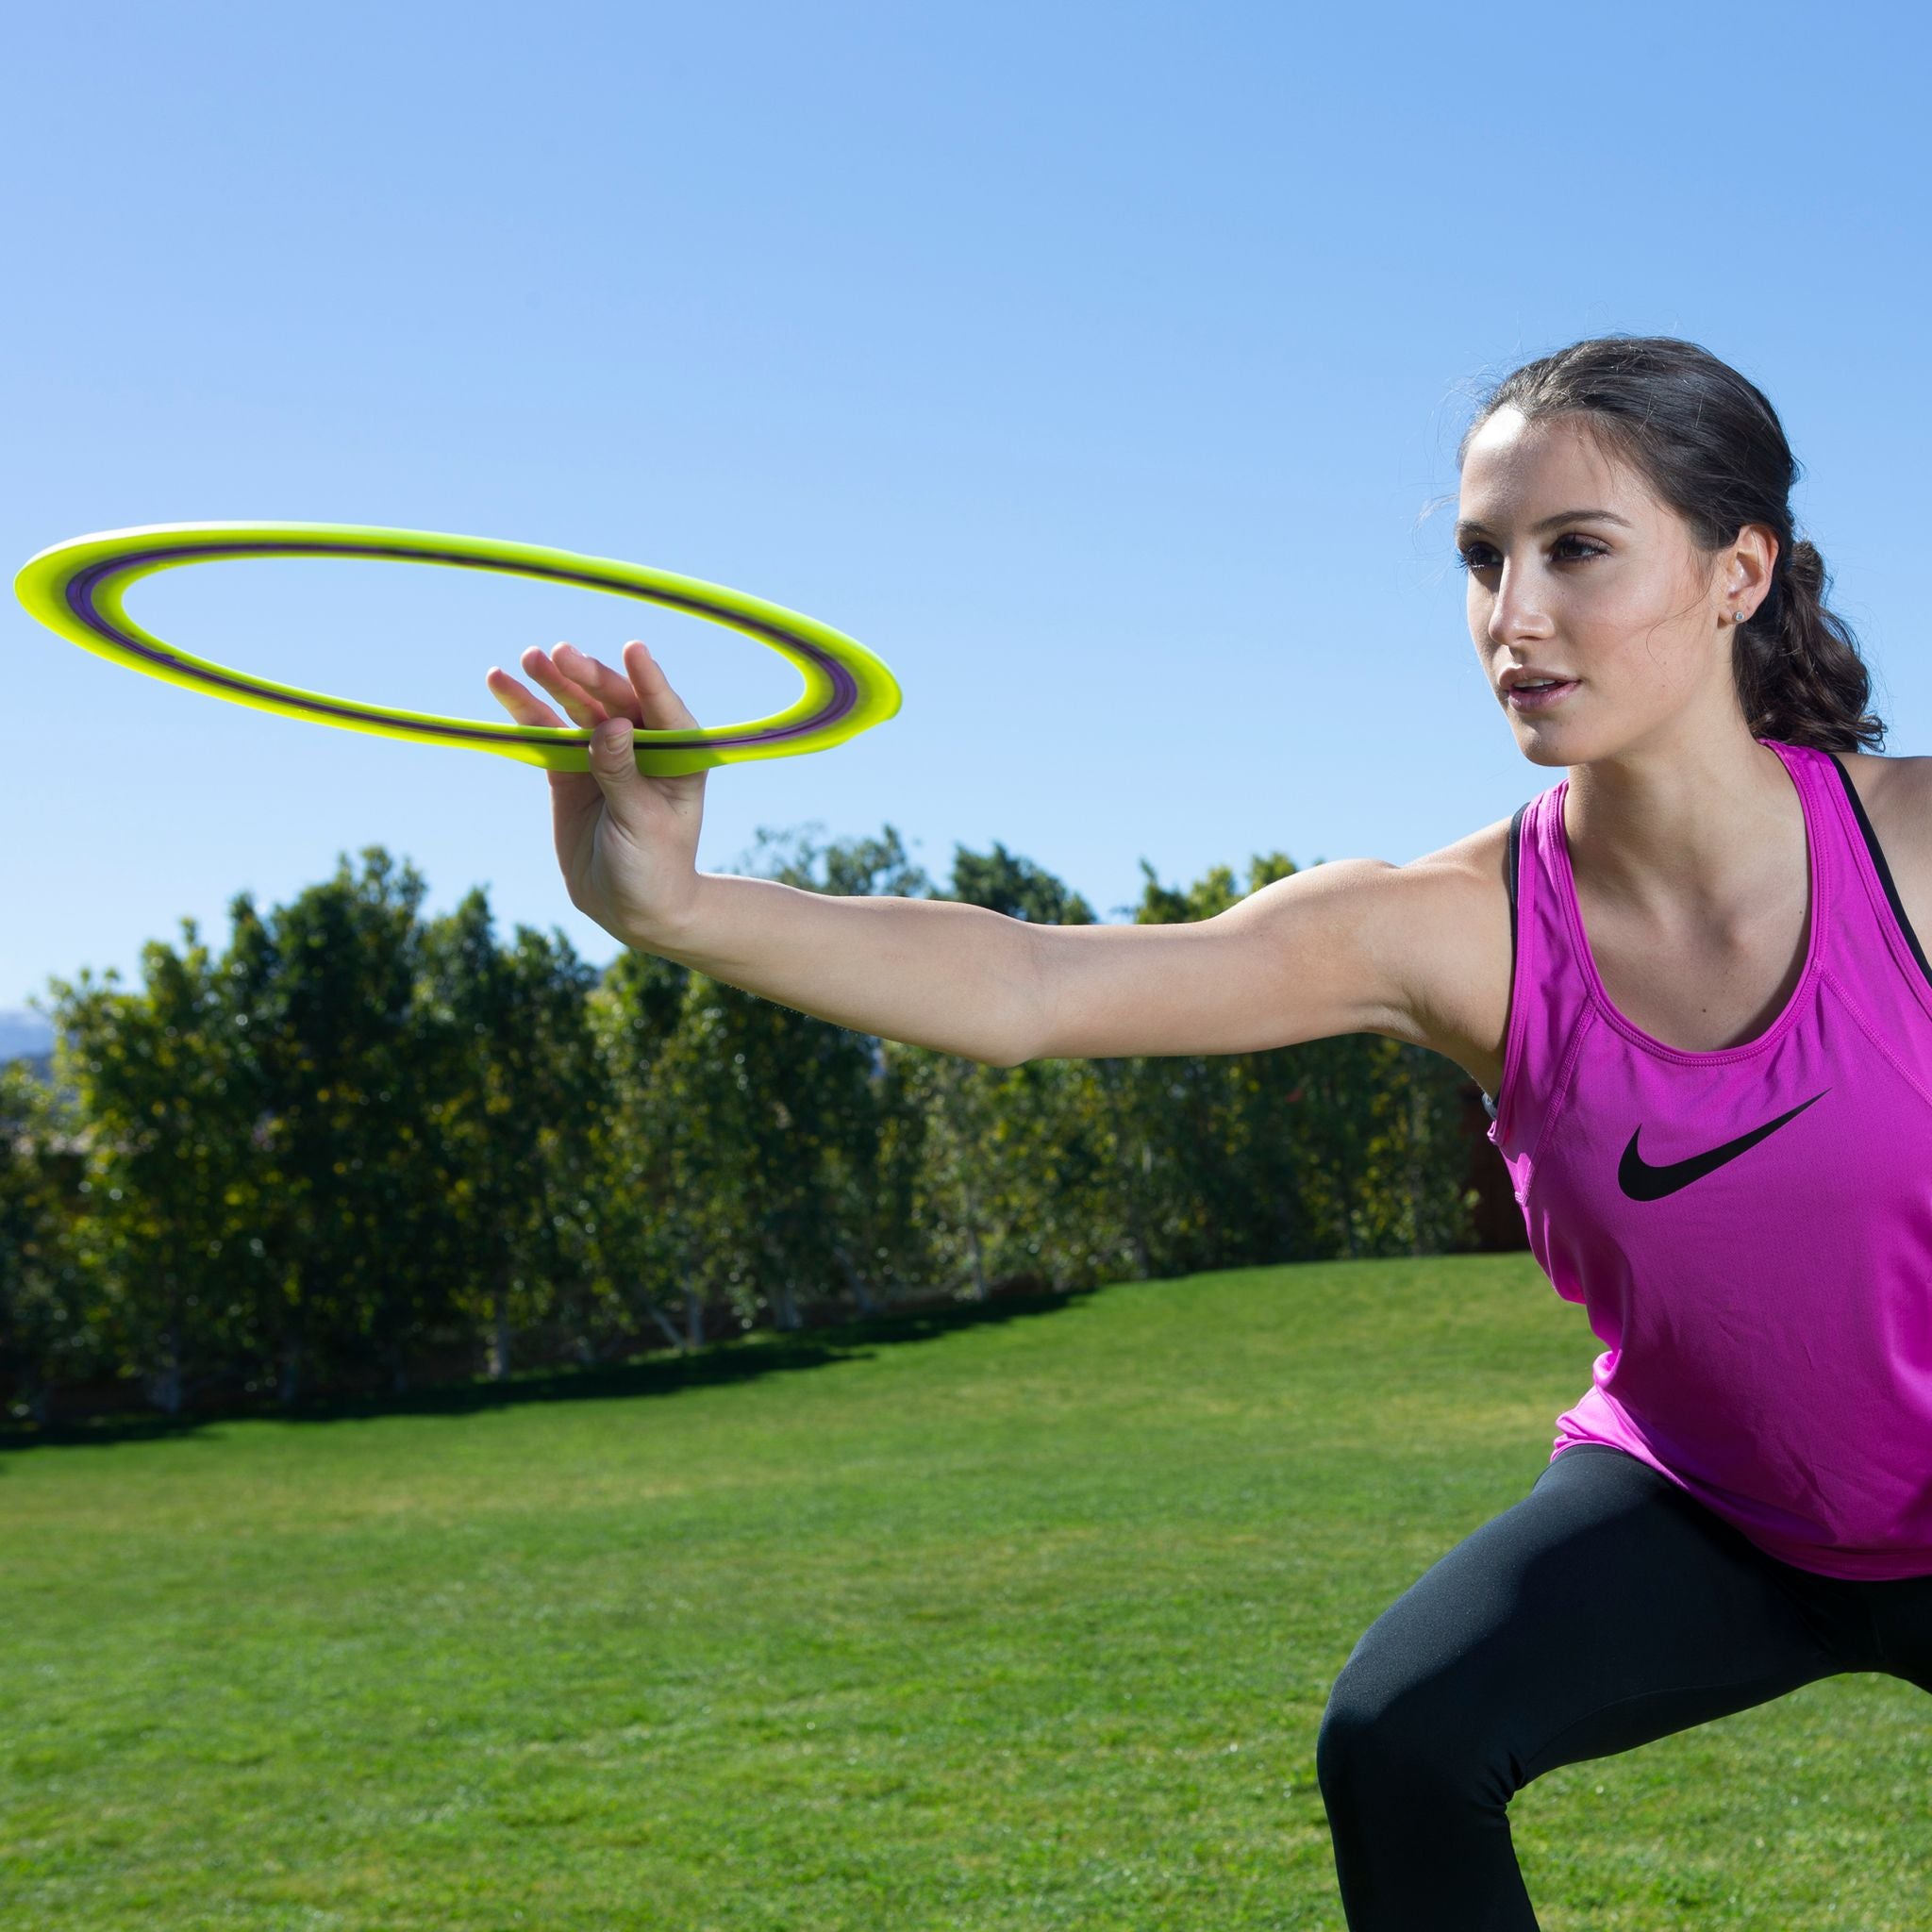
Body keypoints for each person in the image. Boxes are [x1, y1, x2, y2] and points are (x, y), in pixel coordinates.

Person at [482, 333, 1932, 1929]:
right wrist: (678, 908)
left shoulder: (1913, 858)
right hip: (1706, 1502)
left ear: (1739, 572)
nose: (1511, 618)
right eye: (1481, 559)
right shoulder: (1454, 929)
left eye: (1577, 550)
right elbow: (1037, 982)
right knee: (1401, 1739)